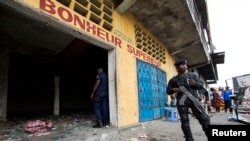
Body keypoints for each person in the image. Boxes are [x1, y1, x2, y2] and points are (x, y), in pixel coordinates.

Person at [166, 59, 210, 141]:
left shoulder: (192, 75)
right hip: (182, 101)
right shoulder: (173, 80)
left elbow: (201, 85)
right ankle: (189, 139)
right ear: (177, 67)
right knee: (185, 122)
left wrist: (195, 84)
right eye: (182, 65)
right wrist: (173, 90)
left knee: (204, 119)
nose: (184, 66)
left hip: (194, 99)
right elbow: (168, 91)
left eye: (185, 65)